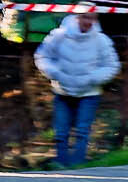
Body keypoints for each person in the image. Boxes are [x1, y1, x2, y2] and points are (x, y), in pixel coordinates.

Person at [36, 12, 120, 166]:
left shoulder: (101, 40)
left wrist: (93, 78)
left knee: (82, 132)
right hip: (62, 91)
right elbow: (42, 56)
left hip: (89, 93)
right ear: (77, 17)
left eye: (92, 18)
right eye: (85, 17)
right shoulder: (58, 36)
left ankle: (78, 168)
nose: (88, 21)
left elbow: (112, 65)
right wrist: (55, 73)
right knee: (61, 133)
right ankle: (60, 167)